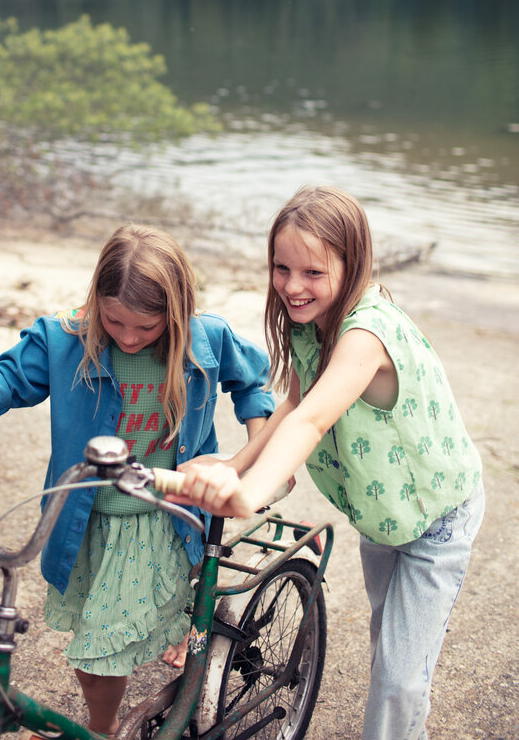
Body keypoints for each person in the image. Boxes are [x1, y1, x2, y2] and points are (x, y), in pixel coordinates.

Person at [0, 223, 273, 738]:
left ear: (176, 313)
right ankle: (119, 706)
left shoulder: (207, 338)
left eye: (147, 328)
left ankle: (103, 730)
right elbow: (6, 377)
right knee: (95, 642)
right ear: (96, 301)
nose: (129, 337)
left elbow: (252, 383)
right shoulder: (67, 338)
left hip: (160, 520)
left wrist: (246, 458)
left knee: (98, 655)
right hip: (85, 523)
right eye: (115, 321)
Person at [176, 186, 484, 740]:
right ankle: (409, 710)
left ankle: (404, 713)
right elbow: (295, 399)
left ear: (353, 264)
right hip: (384, 512)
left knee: (395, 678)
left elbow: (311, 421)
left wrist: (252, 491)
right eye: (281, 268)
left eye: (313, 272)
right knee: (389, 641)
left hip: (437, 516)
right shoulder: (308, 323)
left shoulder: (366, 333)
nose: (293, 287)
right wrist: (239, 463)